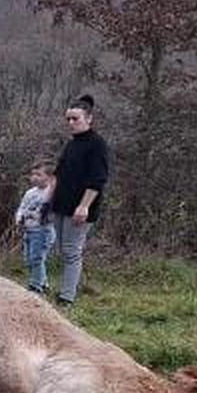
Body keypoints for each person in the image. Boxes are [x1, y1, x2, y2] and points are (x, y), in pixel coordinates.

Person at [50, 94, 110, 308]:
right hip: (61, 205)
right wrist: (48, 199)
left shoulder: (97, 145)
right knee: (62, 250)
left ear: (89, 118)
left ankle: (67, 297)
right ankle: (66, 288)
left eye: (75, 119)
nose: (71, 123)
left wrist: (84, 206)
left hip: (80, 209)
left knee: (72, 252)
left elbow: (98, 179)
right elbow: (59, 174)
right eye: (68, 119)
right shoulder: (72, 144)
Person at [16, 161, 55, 294]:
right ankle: (43, 283)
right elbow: (22, 207)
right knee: (28, 259)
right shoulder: (30, 193)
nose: (34, 177)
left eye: (39, 174)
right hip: (28, 230)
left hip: (42, 231)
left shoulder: (50, 193)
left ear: (49, 177)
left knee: (37, 258)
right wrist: (19, 218)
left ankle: (35, 286)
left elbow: (51, 213)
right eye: (32, 174)